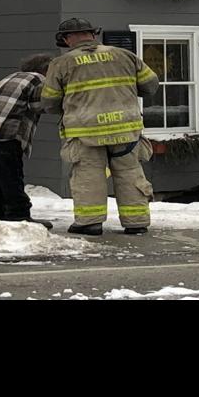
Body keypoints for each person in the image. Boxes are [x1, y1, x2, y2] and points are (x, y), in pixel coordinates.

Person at [40, 18, 161, 236]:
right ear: (93, 34)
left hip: (85, 132)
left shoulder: (61, 64)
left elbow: (49, 103)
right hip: (125, 129)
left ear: (66, 39)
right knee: (130, 172)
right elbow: (151, 85)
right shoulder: (124, 55)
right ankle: (136, 222)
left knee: (89, 174)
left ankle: (90, 222)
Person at [0, 54, 55, 229]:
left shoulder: (10, 77)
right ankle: (19, 215)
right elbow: (39, 105)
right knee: (11, 175)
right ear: (45, 69)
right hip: (8, 133)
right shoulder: (38, 79)